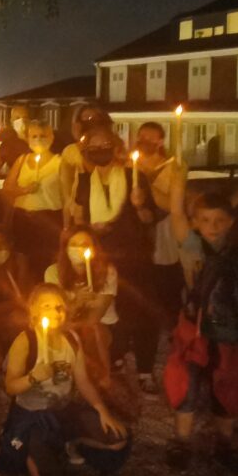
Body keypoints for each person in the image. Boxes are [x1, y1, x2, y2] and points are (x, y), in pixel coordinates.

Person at [0, 284, 129, 476]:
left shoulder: (71, 340)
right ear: (34, 310)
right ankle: (29, 451)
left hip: (62, 411)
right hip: (32, 416)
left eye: (59, 306)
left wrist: (102, 410)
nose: (54, 311)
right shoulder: (26, 341)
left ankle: (71, 443)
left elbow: (82, 381)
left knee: (117, 438)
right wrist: (33, 377)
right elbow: (10, 387)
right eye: (46, 305)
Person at [162, 173, 238, 474]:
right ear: (195, 222)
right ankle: (181, 441)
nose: (213, 227)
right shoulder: (192, 247)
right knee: (187, 384)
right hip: (194, 330)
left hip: (230, 332)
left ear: (231, 221)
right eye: (205, 220)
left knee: (228, 386)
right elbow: (176, 212)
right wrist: (178, 178)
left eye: (220, 221)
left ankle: (224, 441)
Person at [71, 125, 160, 391]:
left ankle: (145, 369)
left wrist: (139, 204)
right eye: (93, 147)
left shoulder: (135, 176)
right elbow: (78, 218)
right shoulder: (85, 180)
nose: (100, 151)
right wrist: (88, 229)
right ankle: (117, 358)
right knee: (111, 313)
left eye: (104, 145)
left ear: (115, 147)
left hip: (135, 257)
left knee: (142, 312)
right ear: (87, 152)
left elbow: (150, 219)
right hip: (101, 257)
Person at [44, 228, 119, 390]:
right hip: (67, 324)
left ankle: (101, 378)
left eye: (85, 244)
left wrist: (69, 324)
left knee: (91, 330)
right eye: (74, 244)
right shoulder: (52, 273)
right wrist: (76, 303)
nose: (79, 249)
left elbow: (94, 319)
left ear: (94, 248)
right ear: (65, 247)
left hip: (98, 326)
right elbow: (54, 315)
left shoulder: (107, 272)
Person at [133, 122, 184, 331]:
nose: (144, 141)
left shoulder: (174, 167)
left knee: (167, 284)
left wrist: (146, 185)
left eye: (150, 137)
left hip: (165, 234)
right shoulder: (131, 166)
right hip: (138, 236)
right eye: (141, 136)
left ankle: (173, 328)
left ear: (160, 141)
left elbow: (173, 204)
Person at [2, 120, 63, 276]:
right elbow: (7, 188)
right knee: (23, 262)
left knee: (46, 261)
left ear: (51, 137)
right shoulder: (22, 160)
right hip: (23, 218)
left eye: (43, 136)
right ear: (28, 139)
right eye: (34, 136)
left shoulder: (60, 162)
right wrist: (24, 190)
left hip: (48, 219)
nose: (38, 139)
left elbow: (67, 195)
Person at [59, 106, 111, 229]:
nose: (90, 122)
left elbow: (101, 175)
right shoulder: (71, 151)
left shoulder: (111, 148)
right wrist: (66, 224)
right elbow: (66, 190)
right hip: (79, 210)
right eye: (85, 119)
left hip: (105, 207)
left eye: (93, 118)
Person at [0, 106, 32, 177]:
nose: (22, 121)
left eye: (25, 117)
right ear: (12, 122)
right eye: (17, 118)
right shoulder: (8, 144)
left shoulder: (39, 137)